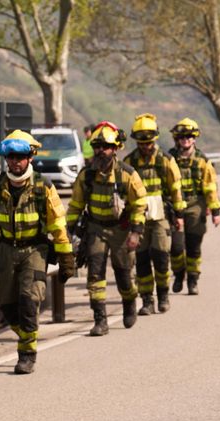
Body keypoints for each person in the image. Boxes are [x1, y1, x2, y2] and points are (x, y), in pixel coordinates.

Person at [0, 130, 74, 374]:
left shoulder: (43, 186)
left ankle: (27, 355)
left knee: (29, 301)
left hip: (35, 250)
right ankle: (28, 336)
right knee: (6, 303)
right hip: (7, 250)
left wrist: (66, 259)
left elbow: (57, 224)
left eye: (20, 156)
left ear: (30, 158)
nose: (15, 161)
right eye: (11, 156)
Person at [66, 121, 147, 336]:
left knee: (123, 275)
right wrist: (69, 229)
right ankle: (100, 320)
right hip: (95, 229)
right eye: (98, 146)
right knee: (95, 273)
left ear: (115, 148)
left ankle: (130, 302)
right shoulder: (87, 175)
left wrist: (136, 232)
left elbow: (140, 204)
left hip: (121, 231)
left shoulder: (128, 175)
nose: (101, 151)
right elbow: (76, 204)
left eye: (106, 146)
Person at [123, 114, 185, 315]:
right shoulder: (129, 161)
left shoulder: (166, 160)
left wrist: (179, 215)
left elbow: (175, 189)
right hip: (138, 218)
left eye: (149, 143)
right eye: (141, 143)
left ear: (155, 139)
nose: (145, 147)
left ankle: (163, 295)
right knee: (141, 260)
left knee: (160, 257)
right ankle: (147, 300)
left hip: (160, 217)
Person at [168, 118, 220, 295]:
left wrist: (215, 211)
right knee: (176, 247)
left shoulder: (202, 161)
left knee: (193, 246)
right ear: (177, 138)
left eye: (189, 136)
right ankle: (178, 274)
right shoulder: (169, 159)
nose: (185, 139)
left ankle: (192, 279)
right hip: (174, 206)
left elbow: (211, 187)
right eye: (182, 136)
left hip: (195, 205)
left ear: (195, 138)